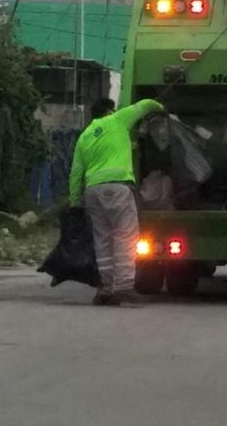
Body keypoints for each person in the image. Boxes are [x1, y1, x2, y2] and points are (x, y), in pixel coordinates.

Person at [69, 97, 164, 306]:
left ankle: (105, 289)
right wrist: (162, 107)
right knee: (125, 237)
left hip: (93, 191)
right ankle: (124, 287)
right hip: (117, 188)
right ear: (110, 111)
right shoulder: (118, 120)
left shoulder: (84, 137)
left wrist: (75, 202)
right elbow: (146, 104)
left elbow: (76, 173)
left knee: (102, 239)